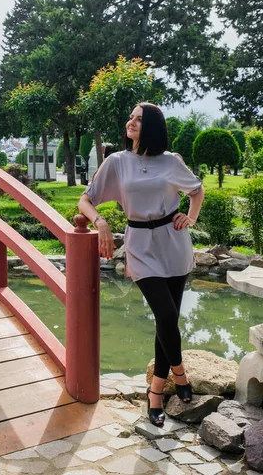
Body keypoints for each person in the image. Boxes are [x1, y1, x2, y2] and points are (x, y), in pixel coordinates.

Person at [78, 102, 205, 427]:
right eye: (130, 116)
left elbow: (196, 189)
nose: (130, 122)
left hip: (173, 243)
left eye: (138, 119)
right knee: (164, 315)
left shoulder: (170, 161)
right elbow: (86, 200)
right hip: (140, 245)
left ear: (151, 127)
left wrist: (189, 217)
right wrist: (101, 222)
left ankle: (156, 394)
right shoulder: (117, 162)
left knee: (168, 322)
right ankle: (181, 376)